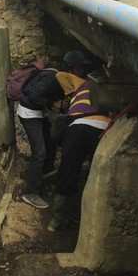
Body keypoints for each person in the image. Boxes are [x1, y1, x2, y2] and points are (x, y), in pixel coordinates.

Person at [47, 51, 110, 232]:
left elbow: (60, 75)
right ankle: (95, 222)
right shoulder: (107, 91)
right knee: (97, 173)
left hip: (78, 125)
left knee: (68, 170)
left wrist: (69, 93)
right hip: (102, 127)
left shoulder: (81, 82)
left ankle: (56, 221)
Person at [17, 63, 64, 209]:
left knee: (50, 143)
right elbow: (33, 95)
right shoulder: (52, 78)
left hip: (38, 113)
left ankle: (44, 177)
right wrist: (53, 104)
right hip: (29, 114)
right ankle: (30, 192)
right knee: (40, 152)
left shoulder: (56, 78)